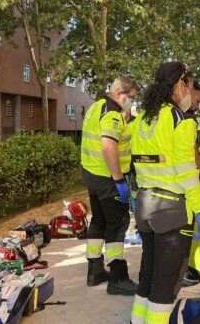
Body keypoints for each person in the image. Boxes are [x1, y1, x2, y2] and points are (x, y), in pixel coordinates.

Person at [130, 62, 200, 324]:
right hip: (172, 211)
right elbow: (187, 172)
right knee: (167, 282)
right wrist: (199, 209)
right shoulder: (182, 121)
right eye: (190, 85)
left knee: (148, 275)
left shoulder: (142, 119)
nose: (190, 92)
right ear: (179, 85)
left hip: (145, 206)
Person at [81, 76, 140, 295]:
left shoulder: (95, 107)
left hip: (91, 175)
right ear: (119, 94)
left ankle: (95, 270)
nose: (132, 102)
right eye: (131, 97)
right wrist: (118, 181)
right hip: (108, 178)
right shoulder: (112, 114)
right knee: (118, 224)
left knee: (98, 220)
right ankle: (117, 277)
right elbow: (108, 147)